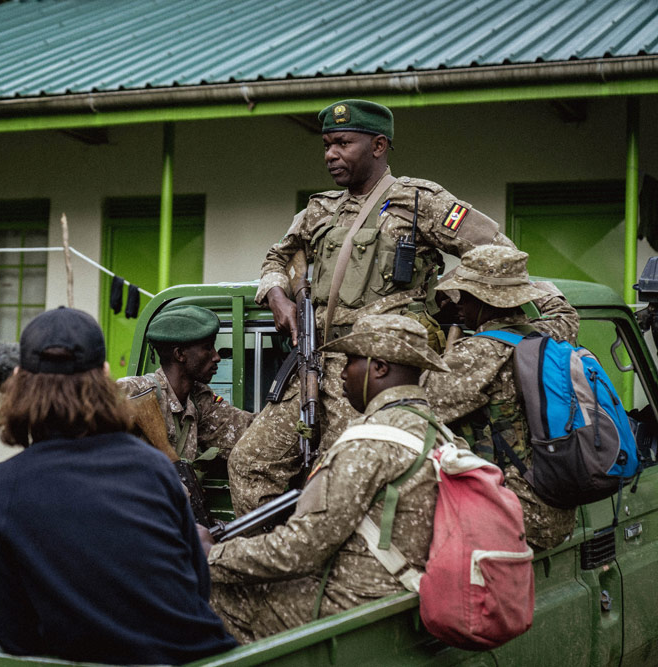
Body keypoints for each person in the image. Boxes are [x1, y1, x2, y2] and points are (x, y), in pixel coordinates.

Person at [228, 98, 515, 517]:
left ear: (378, 145)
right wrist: (277, 296)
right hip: (313, 362)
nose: (331, 155)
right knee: (250, 462)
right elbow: (276, 258)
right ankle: (273, 565)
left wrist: (444, 297)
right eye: (327, 144)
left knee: (342, 478)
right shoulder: (318, 209)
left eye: (343, 143)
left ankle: (336, 572)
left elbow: (497, 251)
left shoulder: (419, 201)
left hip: (374, 374)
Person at [0, 307, 237, 664]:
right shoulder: (155, 469)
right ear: (106, 376)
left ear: (18, 382)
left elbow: (12, 635)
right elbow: (198, 591)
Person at [201, 314, 449, 643]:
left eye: (351, 361)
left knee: (210, 590)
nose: (343, 373)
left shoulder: (369, 444)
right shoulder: (436, 432)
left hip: (356, 605)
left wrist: (209, 556)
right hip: (402, 592)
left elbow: (301, 549)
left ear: (380, 368)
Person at [423, 245, 580, 549]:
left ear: (482, 301)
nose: (460, 308)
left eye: (465, 298)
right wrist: (520, 282)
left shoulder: (475, 355)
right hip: (556, 506)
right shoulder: (552, 332)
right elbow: (565, 311)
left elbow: (417, 407)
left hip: (510, 517)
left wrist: (446, 354)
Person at [118, 305, 253, 465]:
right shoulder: (137, 391)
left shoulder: (199, 401)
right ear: (180, 354)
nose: (217, 357)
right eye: (207, 348)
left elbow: (250, 430)